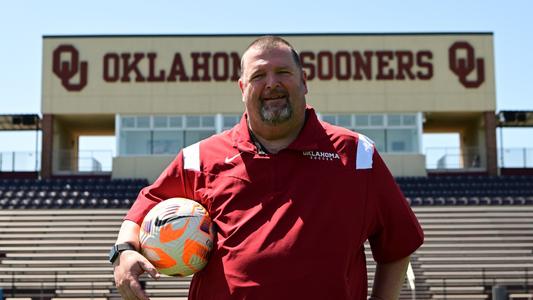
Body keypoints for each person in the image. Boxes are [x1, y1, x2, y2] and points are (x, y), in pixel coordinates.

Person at [111, 35, 424, 300]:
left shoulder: (357, 155)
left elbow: (397, 247)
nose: (271, 84)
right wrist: (124, 252)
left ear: (304, 82)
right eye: (259, 76)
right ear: (242, 88)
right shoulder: (200, 158)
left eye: (283, 72)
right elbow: (144, 207)